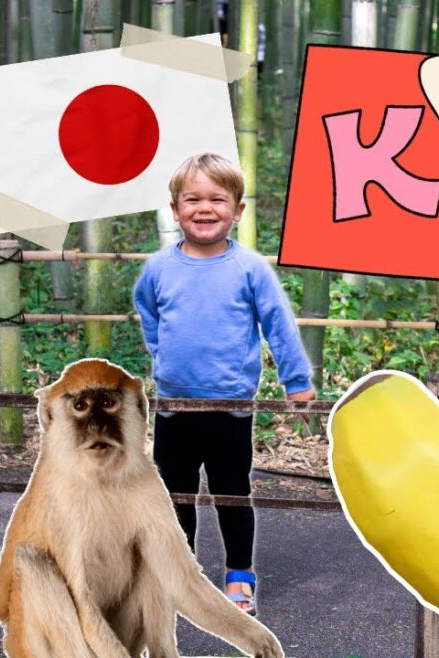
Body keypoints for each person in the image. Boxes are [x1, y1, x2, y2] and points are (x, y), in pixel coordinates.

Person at [134, 153, 316, 615]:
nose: (204, 208)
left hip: (230, 407)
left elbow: (278, 325)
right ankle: (179, 576)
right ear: (175, 209)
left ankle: (239, 576)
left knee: (232, 493)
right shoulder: (158, 268)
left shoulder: (249, 269)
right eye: (192, 199)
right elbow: (150, 316)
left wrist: (296, 380)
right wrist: (163, 359)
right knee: (174, 496)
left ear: (237, 210)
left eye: (217, 199)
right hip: (174, 407)